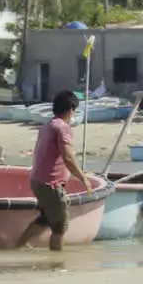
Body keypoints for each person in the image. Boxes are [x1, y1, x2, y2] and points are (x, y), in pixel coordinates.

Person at [16, 90, 94, 251]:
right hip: (50, 184)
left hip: (37, 181)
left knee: (46, 219)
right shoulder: (62, 127)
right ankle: (57, 266)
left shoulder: (47, 126)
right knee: (59, 228)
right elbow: (68, 158)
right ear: (71, 110)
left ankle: (17, 246)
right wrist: (83, 178)